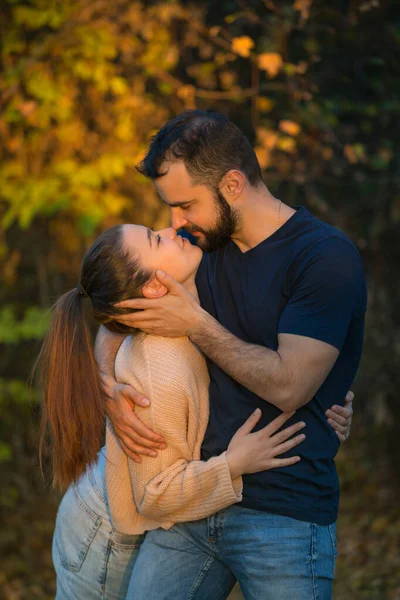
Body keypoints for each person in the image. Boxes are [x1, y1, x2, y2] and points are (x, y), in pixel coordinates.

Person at [97, 110, 366, 599]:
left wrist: (195, 324)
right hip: (190, 506)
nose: (176, 223)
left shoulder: (324, 258)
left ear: (234, 184)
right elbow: (118, 307)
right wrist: (107, 387)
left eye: (185, 205)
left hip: (283, 511)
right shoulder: (201, 245)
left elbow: (290, 387)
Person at [37, 223, 324, 599]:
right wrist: (232, 465)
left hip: (140, 517)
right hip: (109, 530)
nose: (173, 228)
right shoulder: (160, 368)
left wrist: (322, 398)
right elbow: (154, 494)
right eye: (157, 239)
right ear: (155, 288)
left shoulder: (189, 303)